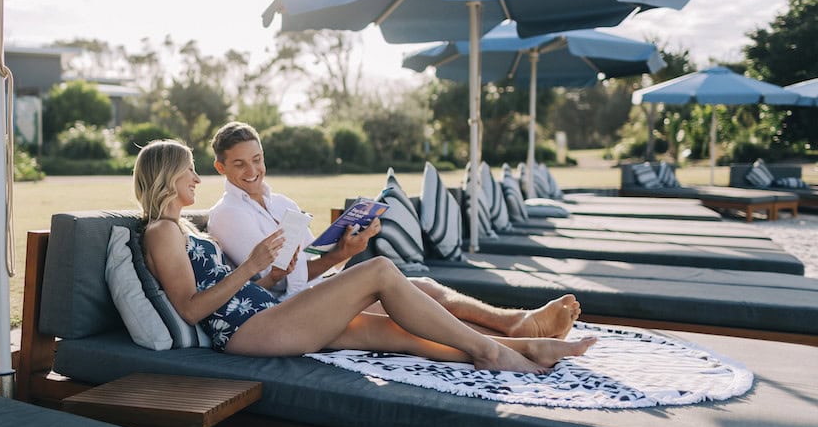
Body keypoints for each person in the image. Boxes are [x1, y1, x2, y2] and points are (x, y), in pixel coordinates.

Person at [134, 139, 596, 373]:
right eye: (187, 171)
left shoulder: (183, 229)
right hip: (246, 331)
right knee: (378, 270)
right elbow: (191, 308)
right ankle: (490, 349)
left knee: (401, 330)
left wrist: (263, 273)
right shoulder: (161, 232)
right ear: (165, 177)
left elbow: (238, 287)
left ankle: (524, 345)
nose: (195, 179)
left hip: (267, 312)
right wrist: (252, 266)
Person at [207, 121, 581, 339]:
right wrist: (289, 270)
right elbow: (268, 285)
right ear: (221, 168)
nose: (252, 170)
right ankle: (515, 334)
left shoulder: (282, 203)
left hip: (312, 293)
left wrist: (343, 252)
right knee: (400, 302)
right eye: (239, 164)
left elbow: (306, 266)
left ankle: (514, 322)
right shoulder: (227, 216)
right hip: (285, 312)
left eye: (257, 159)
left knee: (424, 288)